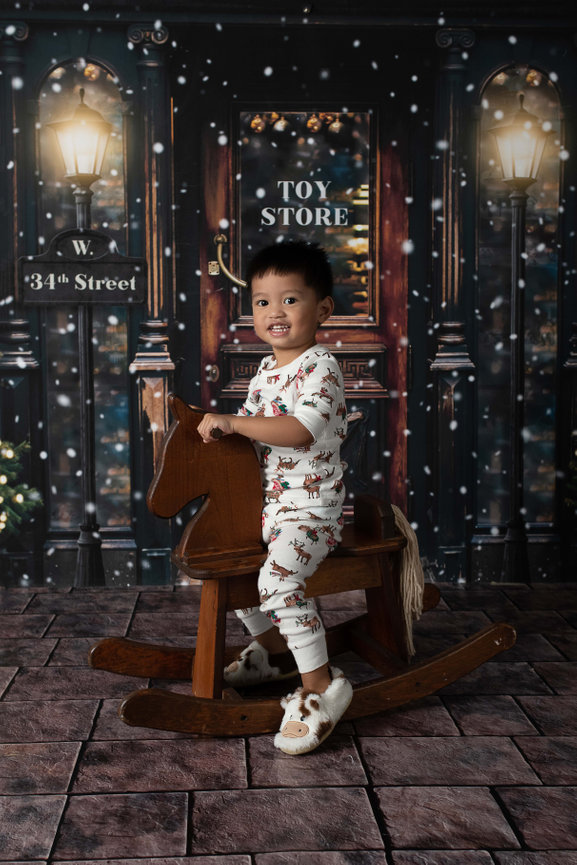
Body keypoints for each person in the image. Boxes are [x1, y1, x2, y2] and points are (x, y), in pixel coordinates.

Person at [197, 240, 353, 755]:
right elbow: (249, 437)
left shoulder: (321, 368)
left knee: (279, 581)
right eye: (263, 302)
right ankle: (272, 651)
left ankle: (319, 687)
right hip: (272, 507)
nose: (275, 313)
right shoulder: (265, 372)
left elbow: (298, 430)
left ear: (322, 309)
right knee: (234, 568)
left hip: (312, 512)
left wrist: (234, 422)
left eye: (290, 299)